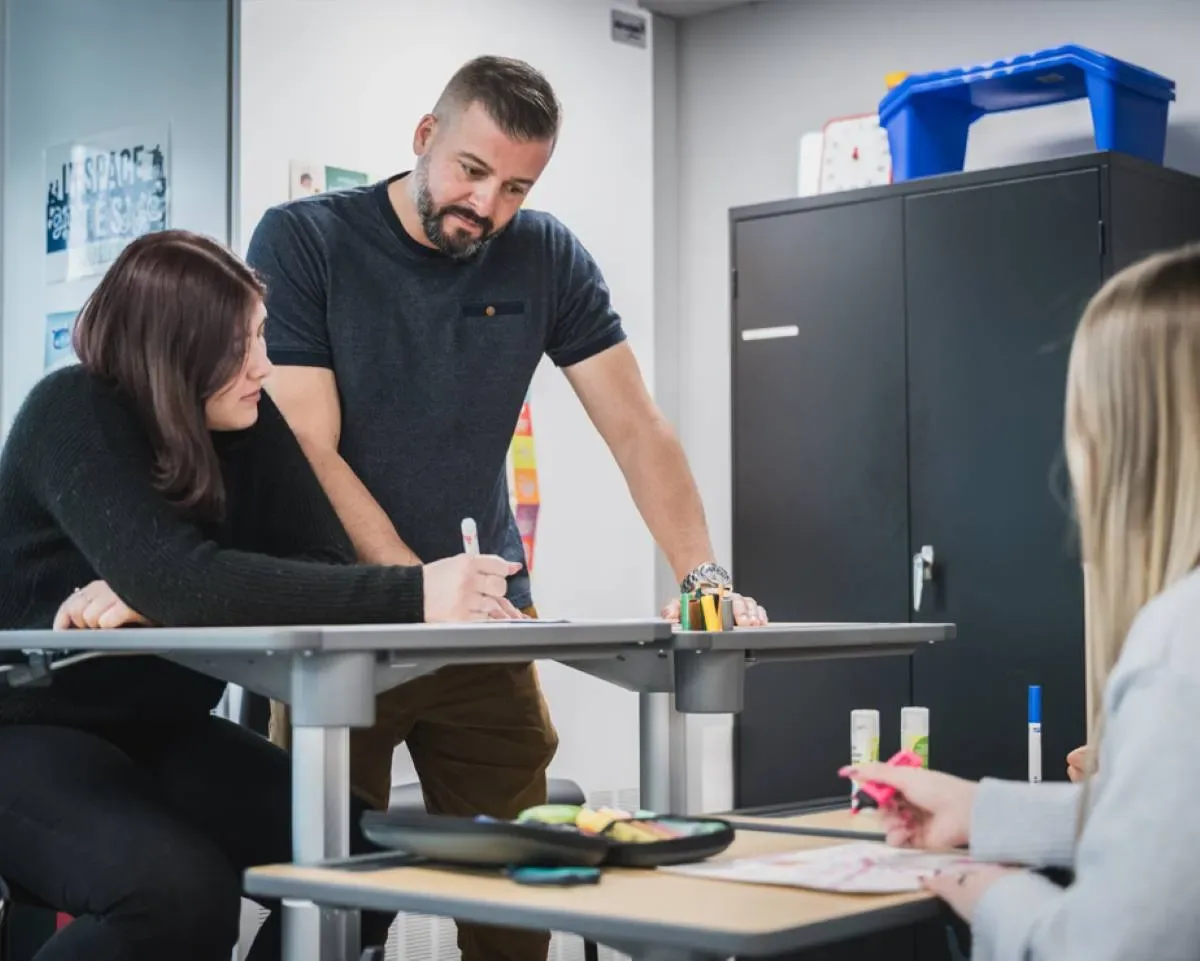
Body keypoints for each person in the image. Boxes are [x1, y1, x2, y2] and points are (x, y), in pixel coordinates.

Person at [245, 54, 769, 961]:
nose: (487, 206)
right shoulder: (305, 240)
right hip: (340, 617)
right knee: (335, 904)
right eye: (472, 171)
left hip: (484, 620)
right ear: (424, 138)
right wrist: (417, 588)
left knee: (518, 901)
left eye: (516, 187)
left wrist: (704, 576)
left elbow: (639, 429)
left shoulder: (546, 254)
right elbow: (305, 444)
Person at [0, 229, 518, 961]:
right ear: (175, 352)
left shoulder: (243, 418)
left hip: (159, 730)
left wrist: (163, 587)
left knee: (360, 865)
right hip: (28, 733)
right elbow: (182, 578)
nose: (263, 365)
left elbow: (316, 561)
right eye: (240, 346)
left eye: (260, 337)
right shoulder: (71, 411)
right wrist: (414, 594)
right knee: (177, 897)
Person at [840, 243, 1200, 961]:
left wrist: (986, 891)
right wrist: (982, 809)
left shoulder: (1176, 648)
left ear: (1125, 441)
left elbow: (1105, 950)